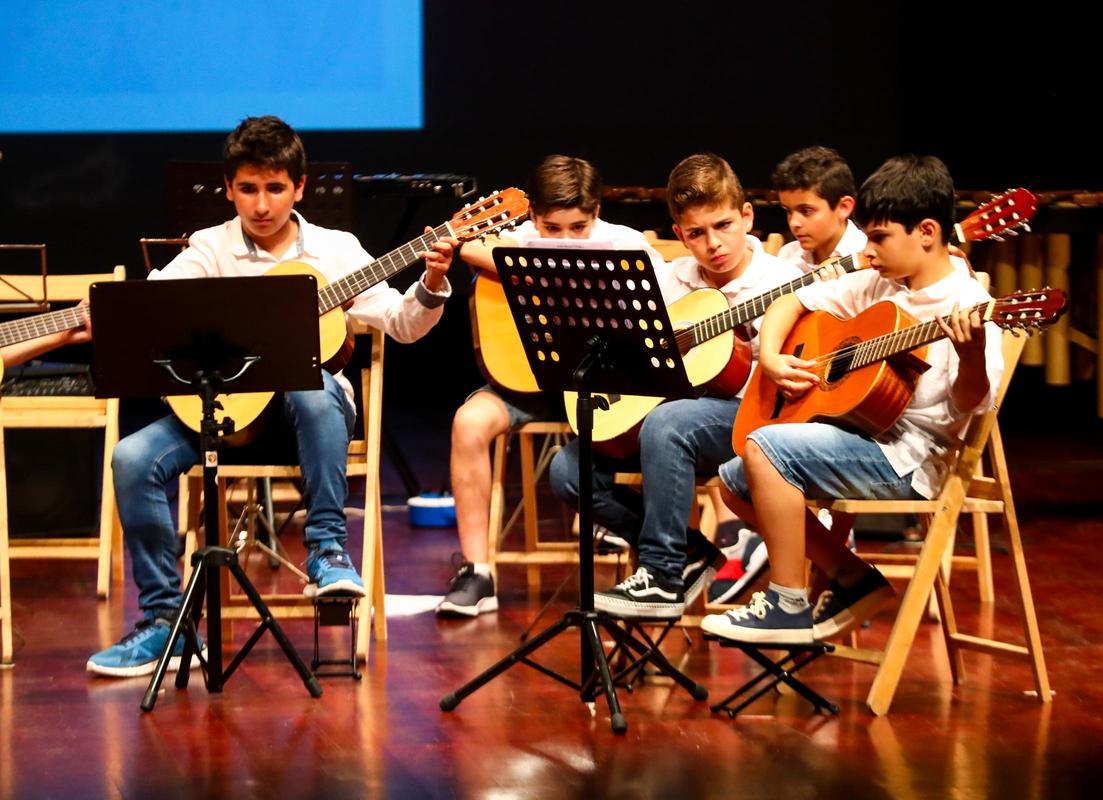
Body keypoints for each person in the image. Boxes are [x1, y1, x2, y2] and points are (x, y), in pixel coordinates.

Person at [86, 115, 457, 676]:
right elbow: (154, 309)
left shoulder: (337, 250)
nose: (262, 205)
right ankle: (166, 626)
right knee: (131, 456)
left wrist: (429, 285)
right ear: (230, 189)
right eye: (249, 189)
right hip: (224, 414)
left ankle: (328, 552)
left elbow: (401, 324)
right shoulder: (210, 248)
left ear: (300, 188)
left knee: (313, 388)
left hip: (308, 419)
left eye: (276, 188)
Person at [701, 155, 1005, 644]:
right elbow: (792, 302)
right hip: (860, 437)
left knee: (763, 448)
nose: (869, 250)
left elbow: (968, 405)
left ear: (926, 232)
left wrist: (971, 357)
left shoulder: (965, 304)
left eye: (880, 238)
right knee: (735, 477)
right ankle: (850, 576)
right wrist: (775, 358)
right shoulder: (880, 282)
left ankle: (786, 601)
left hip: (911, 459)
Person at [549, 153, 802, 619]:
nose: (714, 244)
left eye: (724, 225)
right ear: (679, 234)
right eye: (696, 233)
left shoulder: (784, 282)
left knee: (670, 422)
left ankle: (662, 574)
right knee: (568, 468)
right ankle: (689, 551)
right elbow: (625, 351)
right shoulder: (667, 282)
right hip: (669, 420)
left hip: (751, 419)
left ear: (747, 216)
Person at [438, 154, 662, 616]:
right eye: (551, 228)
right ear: (533, 216)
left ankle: (654, 556)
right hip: (531, 388)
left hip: (606, 393)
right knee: (468, 422)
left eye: (577, 228)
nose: (563, 241)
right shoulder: (517, 239)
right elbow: (469, 246)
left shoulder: (627, 244)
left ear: (596, 213)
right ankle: (478, 573)